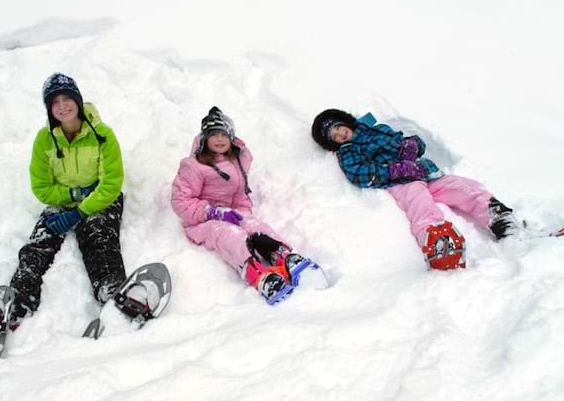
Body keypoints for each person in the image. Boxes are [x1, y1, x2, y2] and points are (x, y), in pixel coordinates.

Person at [311, 109, 518, 270]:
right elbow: (360, 174)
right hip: (400, 183)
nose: (341, 135)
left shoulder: (378, 129)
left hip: (424, 172)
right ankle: (438, 242)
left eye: (339, 128)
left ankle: (497, 216)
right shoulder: (348, 151)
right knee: (420, 203)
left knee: (461, 186)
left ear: (345, 123)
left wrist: (412, 145)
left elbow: (411, 142)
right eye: (335, 136)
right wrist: (394, 170)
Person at [8, 72, 126, 327]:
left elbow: (111, 182)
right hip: (63, 201)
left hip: (101, 198)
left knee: (98, 235)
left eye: (67, 98)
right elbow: (41, 187)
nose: (62, 106)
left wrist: (80, 211)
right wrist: (72, 196)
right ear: (49, 108)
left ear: (78, 100)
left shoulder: (102, 134)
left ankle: (112, 291)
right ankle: (20, 297)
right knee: (38, 244)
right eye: (55, 102)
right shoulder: (44, 139)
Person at [171, 106, 319, 304]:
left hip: (231, 213)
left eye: (224, 134)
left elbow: (240, 195)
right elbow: (181, 202)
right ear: (204, 139)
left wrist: (244, 218)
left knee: (254, 225)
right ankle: (254, 271)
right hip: (200, 221)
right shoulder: (194, 166)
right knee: (229, 235)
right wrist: (213, 212)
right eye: (214, 135)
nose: (220, 139)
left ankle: (281, 255)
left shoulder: (236, 161)